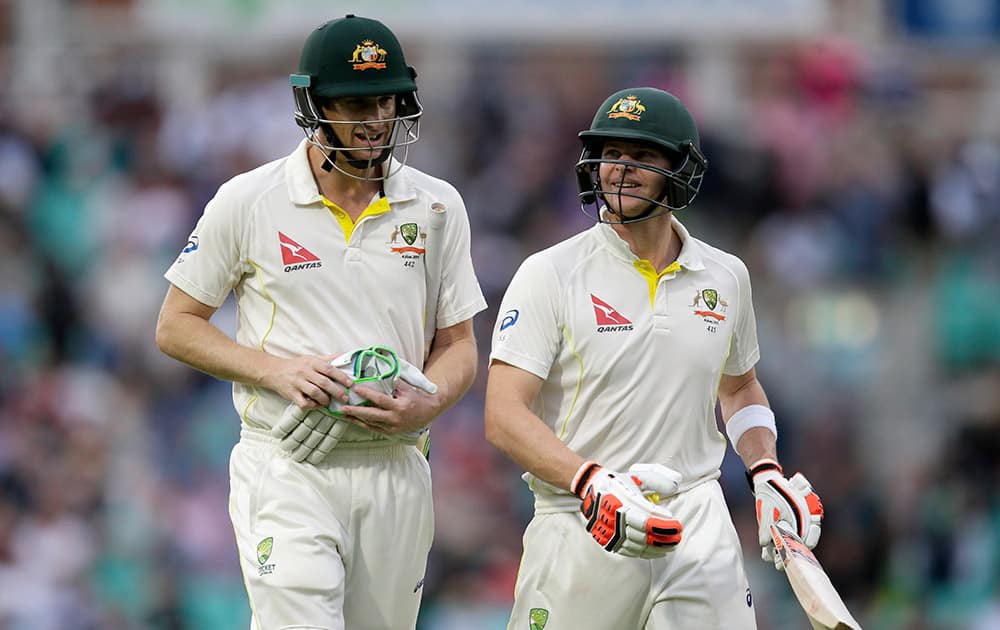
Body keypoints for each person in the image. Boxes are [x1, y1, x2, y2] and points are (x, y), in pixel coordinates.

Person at [155, 14, 486, 630]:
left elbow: (460, 344)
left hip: (396, 461)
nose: (376, 120)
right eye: (355, 103)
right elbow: (176, 325)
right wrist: (277, 372)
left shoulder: (438, 205)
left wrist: (428, 404)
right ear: (313, 106)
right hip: (288, 461)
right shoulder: (249, 200)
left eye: (385, 100)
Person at [484, 87, 824, 629]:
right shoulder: (550, 272)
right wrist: (589, 481)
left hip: (695, 518)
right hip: (583, 519)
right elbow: (503, 415)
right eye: (612, 155)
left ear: (679, 171)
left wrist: (764, 469)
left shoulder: (726, 276)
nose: (621, 170)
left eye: (643, 157)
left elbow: (738, 388)